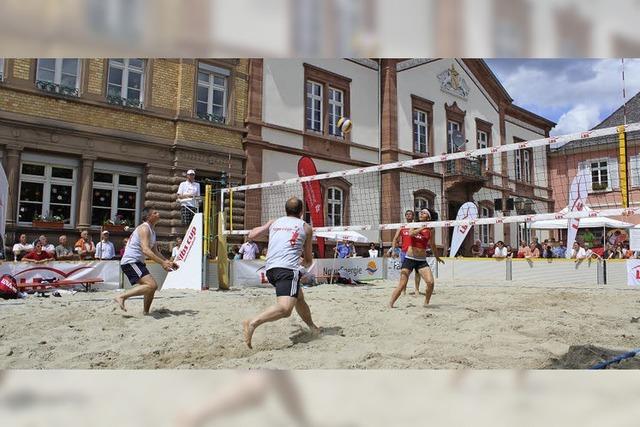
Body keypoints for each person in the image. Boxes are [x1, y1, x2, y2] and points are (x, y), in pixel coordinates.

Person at [242, 197, 319, 349]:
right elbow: (309, 260)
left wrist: (269, 226)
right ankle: (252, 323)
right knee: (285, 309)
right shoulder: (305, 227)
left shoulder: (274, 222)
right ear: (302, 212)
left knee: (299, 299)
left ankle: (312, 327)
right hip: (287, 270)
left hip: (270, 269)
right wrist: (302, 262)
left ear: (285, 210)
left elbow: (251, 235)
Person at [115, 208, 179, 315]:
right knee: (152, 285)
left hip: (137, 262)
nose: (158, 213)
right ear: (148, 217)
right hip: (130, 261)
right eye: (155, 213)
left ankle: (145, 312)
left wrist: (168, 262)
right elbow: (146, 250)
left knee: (151, 287)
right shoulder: (144, 228)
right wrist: (162, 263)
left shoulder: (152, 231)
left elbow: (155, 252)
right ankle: (121, 296)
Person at [389, 209, 444, 308]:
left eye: (423, 213)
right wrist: (422, 227)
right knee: (402, 284)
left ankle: (426, 303)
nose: (420, 214)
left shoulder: (431, 230)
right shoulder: (414, 224)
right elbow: (411, 234)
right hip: (409, 258)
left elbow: (432, 245)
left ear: (428, 217)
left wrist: (437, 257)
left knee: (430, 282)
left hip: (421, 260)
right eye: (420, 212)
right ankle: (390, 304)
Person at [391, 209, 422, 295]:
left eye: (410, 214)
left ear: (413, 216)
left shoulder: (416, 226)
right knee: (404, 273)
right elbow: (395, 238)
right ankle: (404, 290)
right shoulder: (402, 226)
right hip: (404, 252)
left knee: (417, 272)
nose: (408, 215)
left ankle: (417, 290)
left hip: (415, 252)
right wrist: (393, 250)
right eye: (407, 214)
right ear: (405, 216)